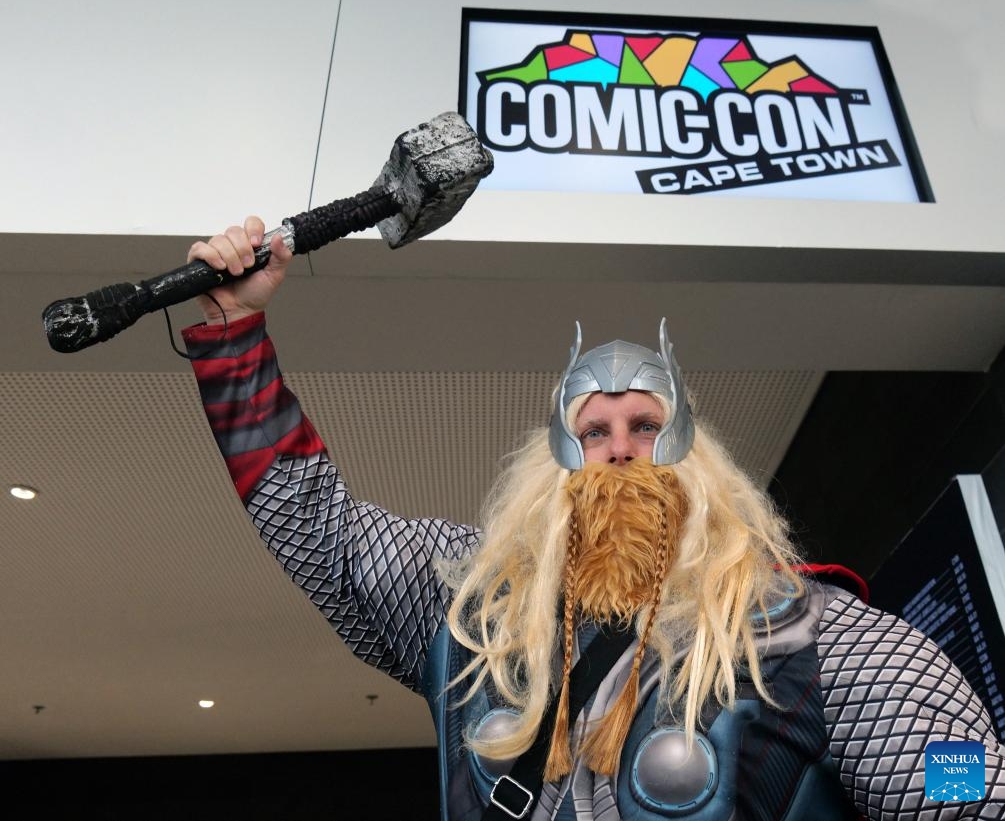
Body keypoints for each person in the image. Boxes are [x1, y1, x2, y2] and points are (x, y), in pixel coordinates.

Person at [181, 217, 1004, 820]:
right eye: (593, 433)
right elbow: (316, 528)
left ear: (694, 458)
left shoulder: (810, 633)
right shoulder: (472, 613)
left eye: (645, 427)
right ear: (554, 465)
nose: (619, 450)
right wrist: (232, 331)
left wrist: (960, 774)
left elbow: (963, 791)